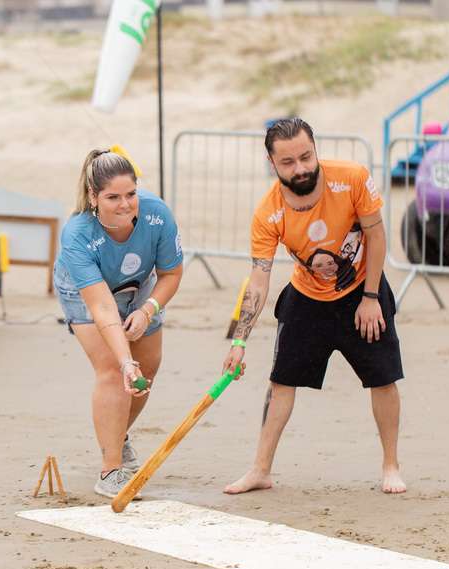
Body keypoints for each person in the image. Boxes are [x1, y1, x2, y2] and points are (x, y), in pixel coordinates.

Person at [221, 118, 407, 496]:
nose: (301, 168)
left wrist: (371, 298)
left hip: (362, 290)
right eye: (288, 162)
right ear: (272, 163)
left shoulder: (352, 178)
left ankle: (391, 465)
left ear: (315, 149)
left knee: (383, 377)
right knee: (281, 381)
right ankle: (260, 470)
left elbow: (376, 235)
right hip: (307, 297)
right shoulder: (268, 212)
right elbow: (259, 280)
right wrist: (239, 341)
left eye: (306, 157)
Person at [54, 148, 183, 499]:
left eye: (130, 194)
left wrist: (148, 310)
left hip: (140, 287)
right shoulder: (78, 233)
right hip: (85, 293)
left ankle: (116, 435)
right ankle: (111, 470)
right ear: (94, 196)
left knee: (147, 369)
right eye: (113, 197)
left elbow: (171, 274)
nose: (125, 205)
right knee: (115, 369)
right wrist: (125, 360)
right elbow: (102, 307)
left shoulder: (157, 214)